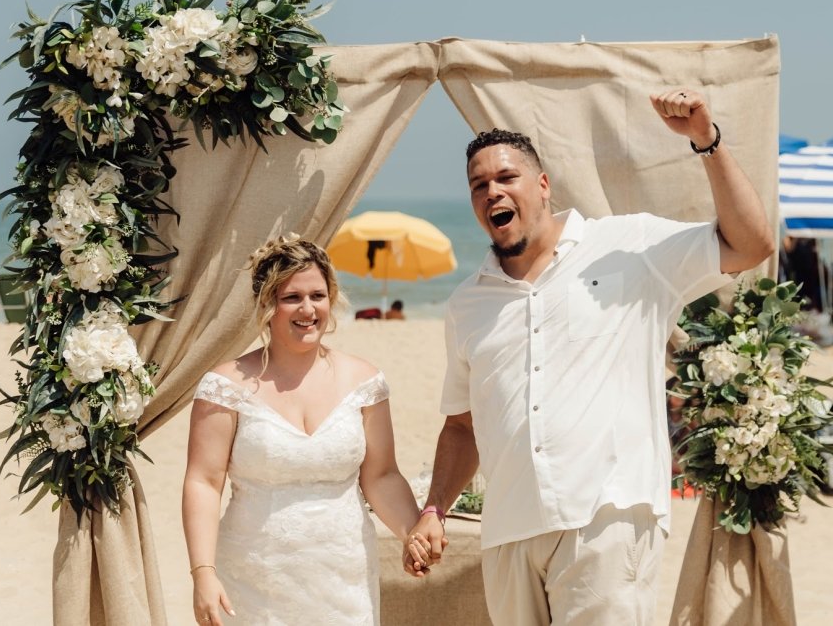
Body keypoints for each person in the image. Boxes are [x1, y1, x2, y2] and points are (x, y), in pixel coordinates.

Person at [403, 90, 775, 625]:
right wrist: (434, 509)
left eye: (506, 178)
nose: (492, 192)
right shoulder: (467, 303)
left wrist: (706, 141)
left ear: (543, 186)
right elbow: (462, 426)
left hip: (608, 519)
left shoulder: (631, 246)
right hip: (507, 533)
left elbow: (752, 244)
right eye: (478, 185)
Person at [182, 235, 430, 625]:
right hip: (253, 578)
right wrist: (203, 572)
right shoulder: (225, 386)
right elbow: (203, 482)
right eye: (291, 297)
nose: (308, 309)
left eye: (318, 295)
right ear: (267, 304)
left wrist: (410, 534)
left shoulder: (365, 381)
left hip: (344, 579)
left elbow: (381, 476)